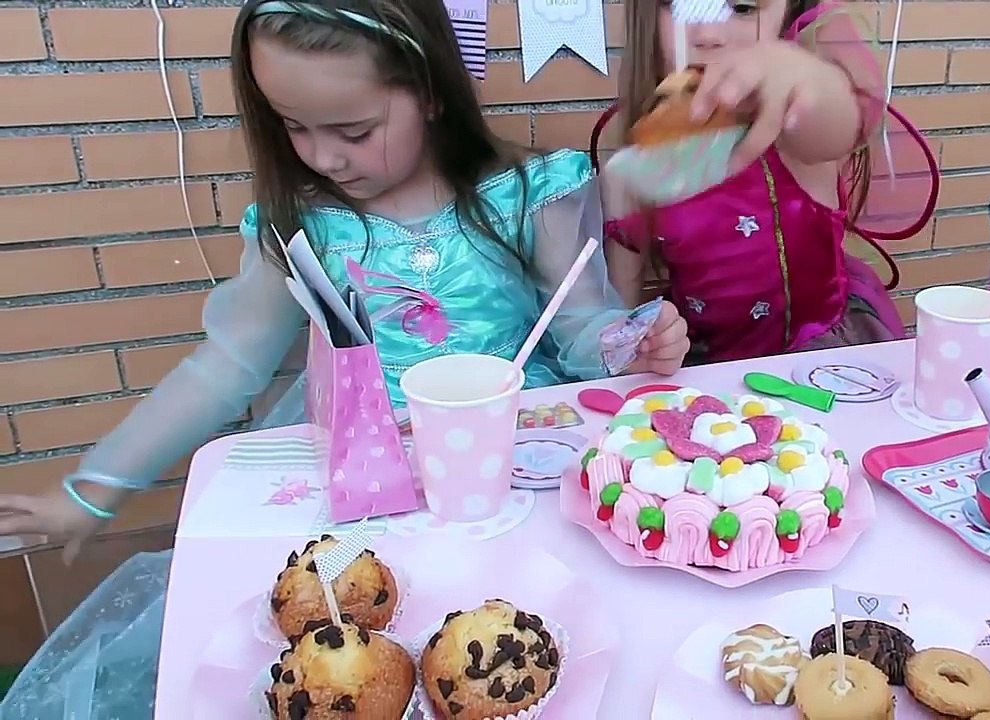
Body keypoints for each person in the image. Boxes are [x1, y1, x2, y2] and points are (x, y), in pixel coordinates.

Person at [0, 1, 688, 715]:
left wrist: (625, 341)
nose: (323, 157)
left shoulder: (529, 193)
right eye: (293, 127)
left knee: (542, 640)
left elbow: (578, 326)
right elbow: (224, 367)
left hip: (509, 466)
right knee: (341, 654)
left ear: (429, 91)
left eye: (353, 130)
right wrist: (90, 492)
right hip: (359, 489)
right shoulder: (299, 224)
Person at [598, 0, 938, 364]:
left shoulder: (796, 132)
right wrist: (648, 346)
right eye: (682, 7)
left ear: (787, 15)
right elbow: (620, 323)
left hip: (818, 364)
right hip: (705, 375)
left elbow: (837, 122)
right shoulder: (632, 170)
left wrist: (807, 76)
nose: (708, 34)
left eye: (743, 7)